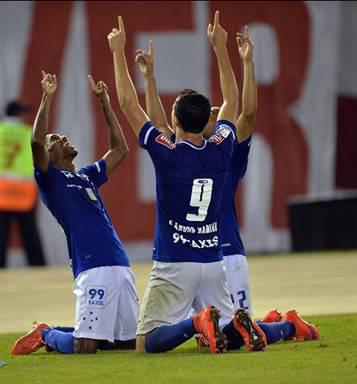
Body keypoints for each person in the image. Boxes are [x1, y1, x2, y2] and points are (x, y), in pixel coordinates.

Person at [134, 25, 320, 349]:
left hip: (224, 253)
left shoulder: (227, 152)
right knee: (219, 336)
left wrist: (247, 63)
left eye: (217, 113)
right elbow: (163, 124)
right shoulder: (209, 149)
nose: (219, 115)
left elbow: (246, 112)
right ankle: (276, 323)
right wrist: (150, 80)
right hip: (204, 257)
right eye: (214, 113)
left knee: (235, 336)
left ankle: (287, 325)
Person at [108, 12, 267, 354]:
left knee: (145, 343)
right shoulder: (222, 148)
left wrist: (117, 52)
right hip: (212, 262)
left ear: (176, 120)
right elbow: (231, 103)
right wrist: (221, 49)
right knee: (228, 332)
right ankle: (233, 324)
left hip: (174, 261)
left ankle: (197, 323)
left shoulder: (167, 155)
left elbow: (127, 104)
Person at [10, 71, 138, 355]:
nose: (62, 137)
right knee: (86, 347)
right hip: (91, 267)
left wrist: (105, 103)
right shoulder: (50, 179)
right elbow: (35, 142)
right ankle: (47, 334)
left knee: (128, 344)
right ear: (49, 156)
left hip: (120, 263)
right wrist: (47, 97)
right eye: (55, 139)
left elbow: (120, 149)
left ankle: (64, 330)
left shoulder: (87, 176)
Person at [0, 100, 46, 268]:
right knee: (31, 238)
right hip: (23, 192)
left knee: (1, 238)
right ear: (19, 114)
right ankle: (40, 271)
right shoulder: (29, 132)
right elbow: (41, 157)